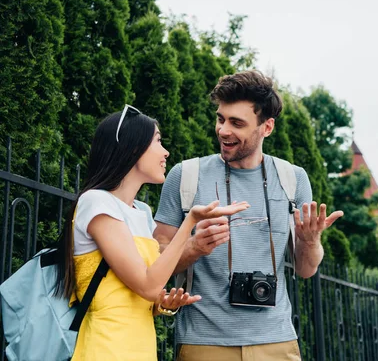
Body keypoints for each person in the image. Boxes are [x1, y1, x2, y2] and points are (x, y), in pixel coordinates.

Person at [154, 70, 343, 361]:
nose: (223, 130)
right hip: (204, 342)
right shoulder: (185, 176)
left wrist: (310, 240)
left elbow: (306, 270)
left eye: (236, 123)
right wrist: (192, 248)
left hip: (277, 341)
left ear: (266, 127)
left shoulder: (293, 179)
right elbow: (155, 260)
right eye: (220, 119)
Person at [54, 105, 248, 360]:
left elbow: (147, 287)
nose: (166, 152)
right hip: (105, 347)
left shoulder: (143, 212)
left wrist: (162, 302)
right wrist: (190, 221)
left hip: (141, 347)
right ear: (133, 148)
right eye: (157, 140)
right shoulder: (96, 203)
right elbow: (147, 285)